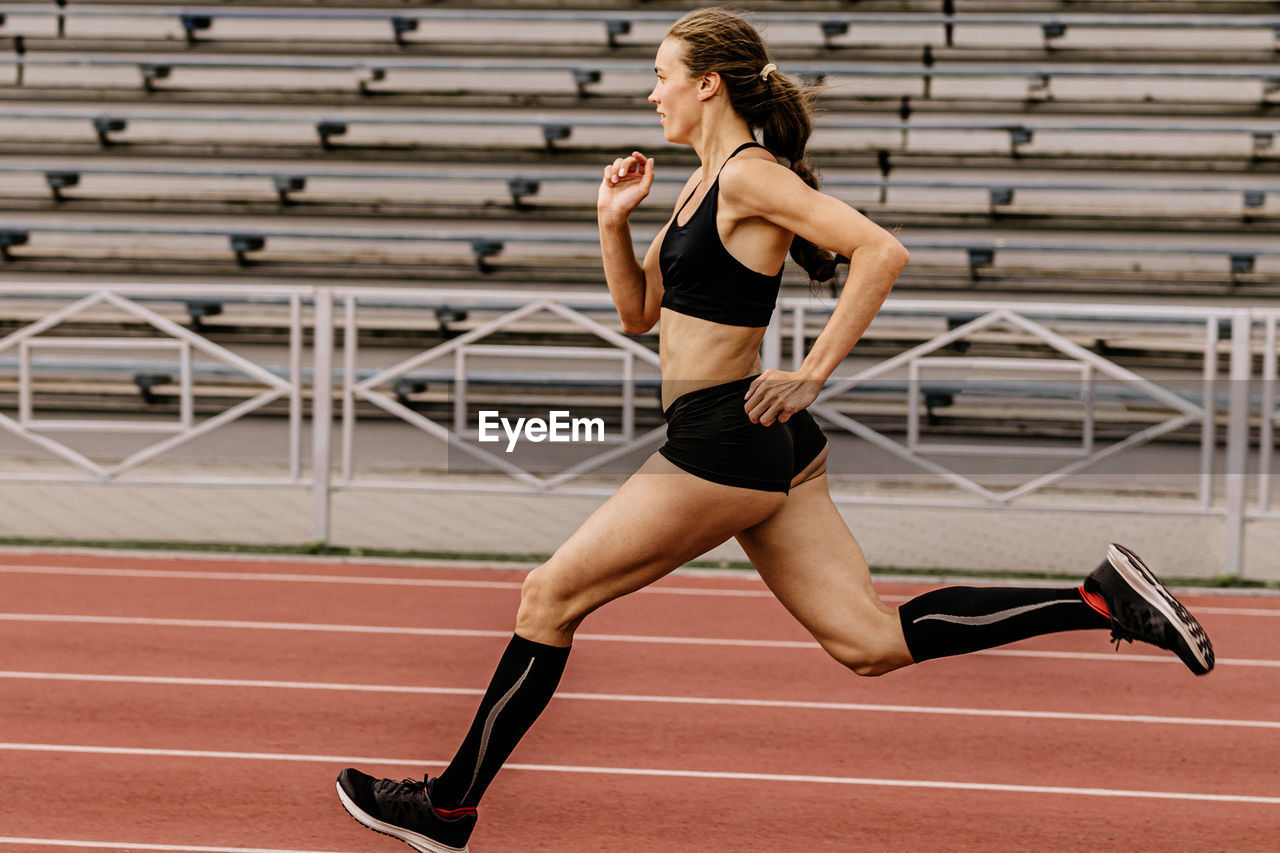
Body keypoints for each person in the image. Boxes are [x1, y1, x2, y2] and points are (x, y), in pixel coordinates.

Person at [335, 8, 1215, 852]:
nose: (652, 94)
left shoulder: (752, 175)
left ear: (708, 84)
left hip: (726, 434)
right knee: (868, 642)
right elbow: (640, 313)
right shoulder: (696, 183)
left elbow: (882, 251)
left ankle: (448, 807)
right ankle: (1097, 599)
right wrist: (613, 222)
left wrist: (813, 372)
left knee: (546, 597)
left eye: (661, 77)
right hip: (758, 441)